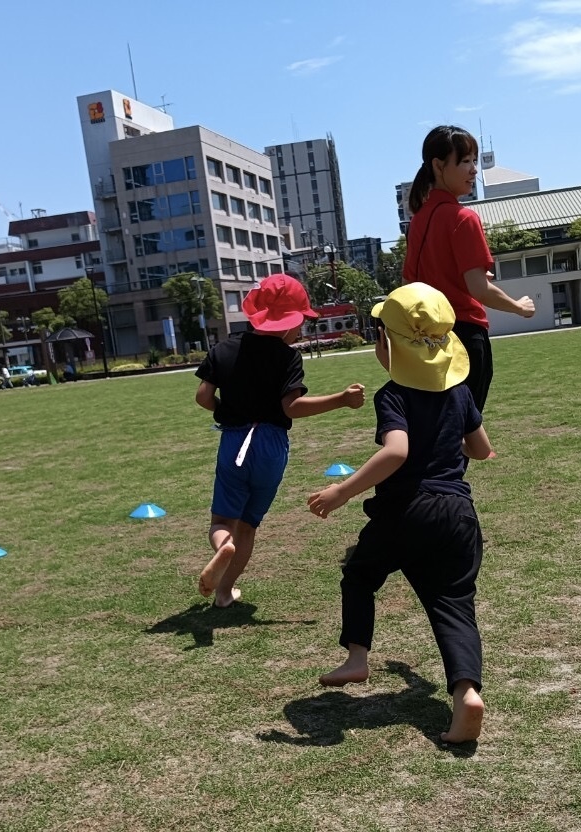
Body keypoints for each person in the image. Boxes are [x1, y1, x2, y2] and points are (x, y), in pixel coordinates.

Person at [308, 282, 492, 744]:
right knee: (453, 603)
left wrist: (341, 491)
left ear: (387, 344)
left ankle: (357, 658)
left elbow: (396, 452)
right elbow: (481, 449)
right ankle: (466, 693)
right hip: (458, 513)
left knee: (359, 574)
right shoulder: (460, 393)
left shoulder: (393, 395)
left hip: (405, 511)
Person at [195, 274, 366, 609]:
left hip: (234, 443)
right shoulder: (288, 357)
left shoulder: (223, 349)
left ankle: (222, 547)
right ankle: (224, 592)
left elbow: (203, 397)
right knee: (247, 526)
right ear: (288, 323)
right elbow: (292, 407)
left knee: (222, 523)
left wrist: (228, 412)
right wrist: (341, 399)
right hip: (271, 447)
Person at [403, 125, 535, 412]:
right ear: (439, 166)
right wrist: (519, 307)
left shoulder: (418, 221)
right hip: (464, 338)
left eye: (474, 160)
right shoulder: (464, 218)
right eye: (465, 161)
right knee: (465, 429)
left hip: (427, 342)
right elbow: (479, 289)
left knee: (439, 427)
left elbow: (412, 285)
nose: (474, 169)